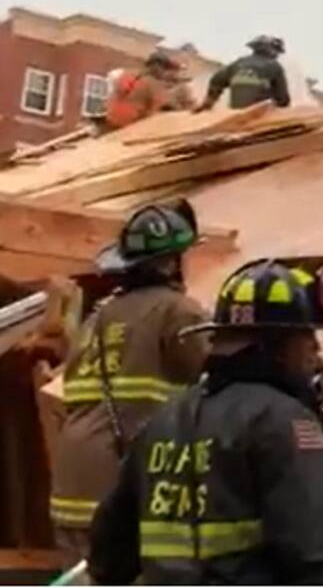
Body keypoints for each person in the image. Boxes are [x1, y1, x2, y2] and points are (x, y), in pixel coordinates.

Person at [88, 258, 323, 585]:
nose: (315, 349)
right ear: (275, 344)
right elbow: (317, 557)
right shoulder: (283, 422)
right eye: (306, 335)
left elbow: (108, 555)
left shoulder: (162, 423)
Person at [50, 199, 209, 564]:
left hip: (70, 489)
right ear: (172, 262)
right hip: (119, 489)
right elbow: (219, 372)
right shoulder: (176, 310)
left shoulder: (96, 319)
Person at [104, 50, 195, 130]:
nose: (168, 73)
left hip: (112, 122)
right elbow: (155, 109)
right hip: (132, 126)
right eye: (168, 69)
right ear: (158, 67)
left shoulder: (128, 74)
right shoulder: (152, 83)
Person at [196, 35, 290, 111]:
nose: (277, 55)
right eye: (277, 51)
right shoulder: (274, 66)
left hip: (235, 116)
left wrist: (209, 102)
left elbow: (216, 81)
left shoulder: (238, 63)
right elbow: (283, 100)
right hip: (260, 116)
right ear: (271, 50)